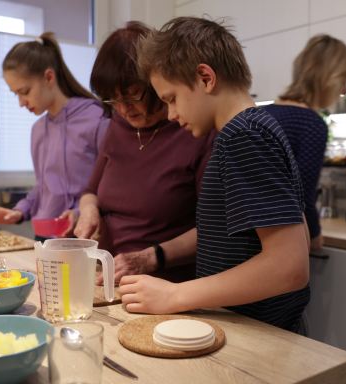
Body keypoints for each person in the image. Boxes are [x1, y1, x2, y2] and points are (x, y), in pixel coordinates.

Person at [121, 17, 310, 332]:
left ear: (205, 78)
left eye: (171, 99)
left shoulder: (243, 136)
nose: (170, 114)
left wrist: (175, 294)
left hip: (260, 335)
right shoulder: (257, 128)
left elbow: (290, 266)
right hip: (259, 330)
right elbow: (293, 230)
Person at [73, 21, 215, 284]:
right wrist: (90, 210)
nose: (124, 109)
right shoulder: (118, 126)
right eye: (113, 100)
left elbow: (215, 228)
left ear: (155, 84)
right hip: (110, 280)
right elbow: (90, 192)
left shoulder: (194, 127)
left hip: (169, 285)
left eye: (132, 96)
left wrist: (150, 258)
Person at [0, 32, 109, 238]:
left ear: (49, 77)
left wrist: (81, 212)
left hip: (82, 237)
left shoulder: (96, 119)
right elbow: (44, 188)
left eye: (24, 91)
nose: (21, 102)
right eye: (15, 94)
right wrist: (19, 212)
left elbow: (109, 185)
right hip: (44, 237)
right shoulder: (38, 130)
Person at [265, 35, 346, 250]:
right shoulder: (311, 124)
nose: (345, 90)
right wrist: (315, 235)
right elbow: (302, 196)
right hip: (280, 243)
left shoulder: (261, 114)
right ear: (327, 78)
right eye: (343, 80)